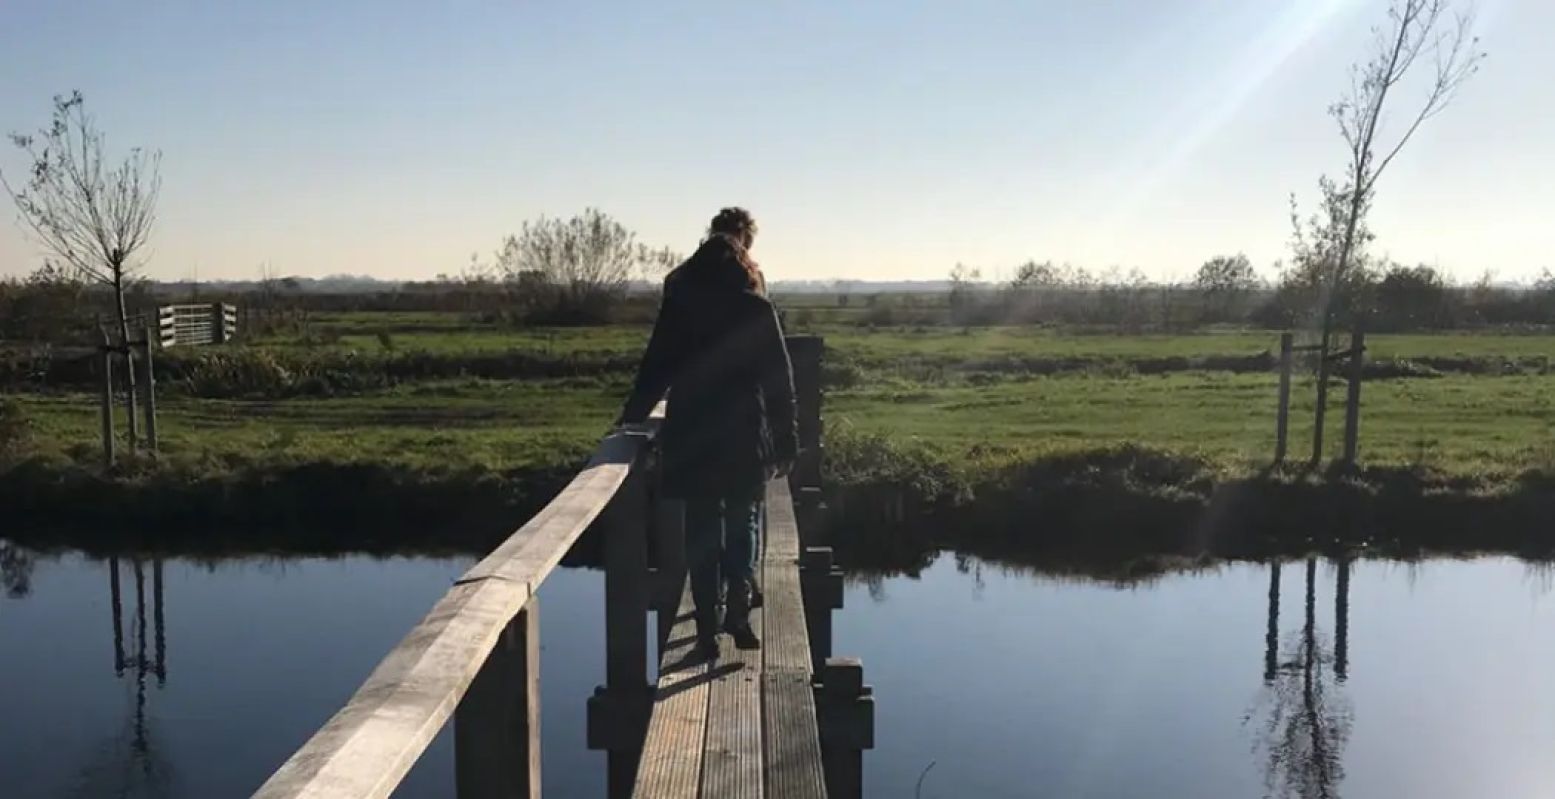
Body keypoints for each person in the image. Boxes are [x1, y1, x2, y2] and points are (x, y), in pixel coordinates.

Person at [618, 207, 797, 659]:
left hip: (694, 428)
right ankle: (739, 608)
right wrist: (786, 438)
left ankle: (705, 634)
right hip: (744, 430)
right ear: (746, 255)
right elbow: (779, 376)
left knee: (701, 529)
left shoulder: (682, 302)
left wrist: (633, 416)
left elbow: (657, 363)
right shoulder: (756, 306)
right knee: (743, 520)